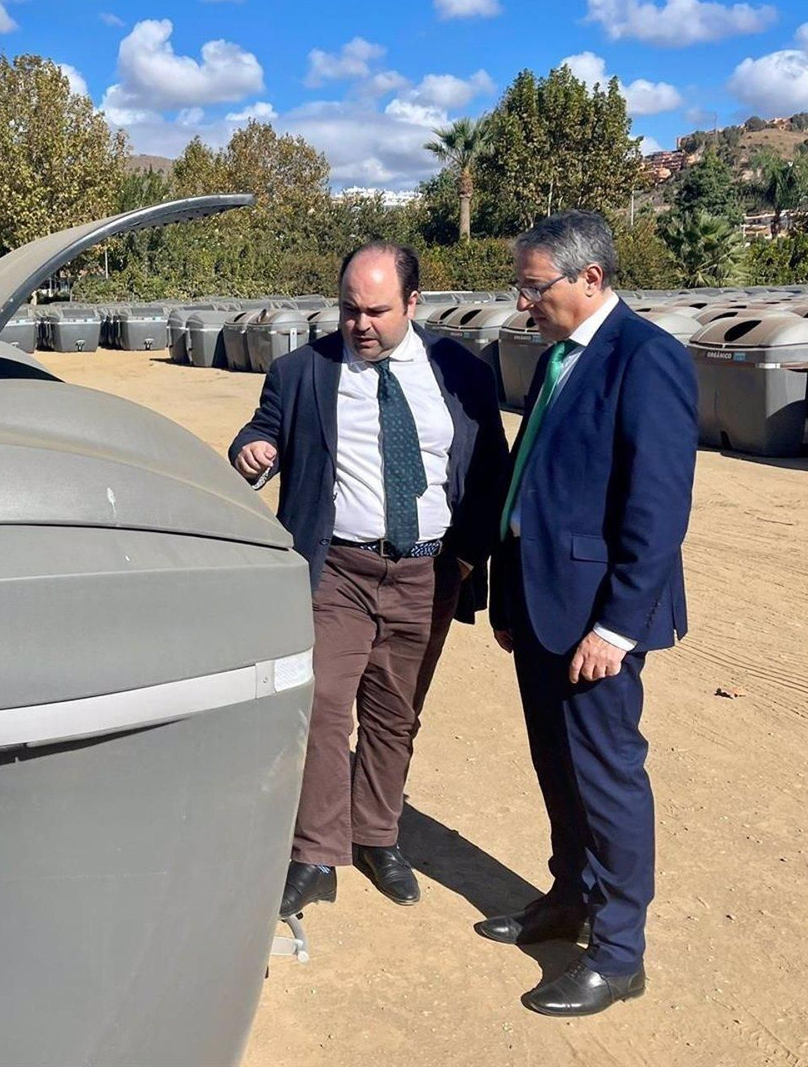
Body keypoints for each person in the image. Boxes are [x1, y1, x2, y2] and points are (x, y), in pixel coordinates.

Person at [229, 243, 508, 917]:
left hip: (427, 571)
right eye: (349, 309)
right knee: (323, 709)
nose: (360, 324)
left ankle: (378, 836)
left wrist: (466, 559)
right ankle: (317, 851)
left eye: (377, 311)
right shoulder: (303, 371)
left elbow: (491, 469)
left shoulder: (462, 373)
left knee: (395, 715)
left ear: (412, 304)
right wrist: (252, 448)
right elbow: (264, 430)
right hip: (338, 571)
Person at [481, 210, 698, 1017]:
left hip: (595, 621)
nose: (523, 302)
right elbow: (529, 483)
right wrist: (508, 599)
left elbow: (657, 509)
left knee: (606, 779)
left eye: (534, 287)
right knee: (556, 766)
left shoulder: (648, 360)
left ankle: (619, 952)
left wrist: (616, 627)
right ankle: (568, 897)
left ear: (591, 278)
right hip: (538, 607)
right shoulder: (556, 361)